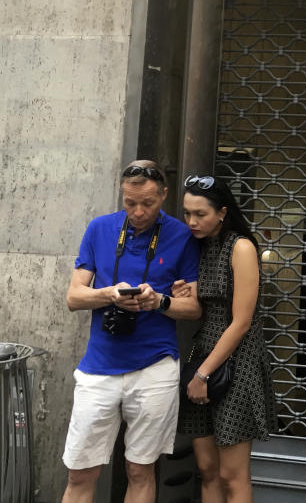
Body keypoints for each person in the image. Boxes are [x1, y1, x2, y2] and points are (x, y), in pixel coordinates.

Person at [62, 160, 202, 503]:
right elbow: (73, 297)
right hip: (99, 368)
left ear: (164, 196)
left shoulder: (183, 236)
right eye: (130, 203)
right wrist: (109, 294)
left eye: (148, 204)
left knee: (140, 470)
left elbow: (195, 307)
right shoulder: (99, 228)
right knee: (81, 471)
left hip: (154, 369)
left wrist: (160, 301)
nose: (138, 212)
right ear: (121, 195)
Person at [174, 174, 277, 502]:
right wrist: (186, 293)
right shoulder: (199, 247)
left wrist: (203, 374)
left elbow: (242, 321)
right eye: (187, 213)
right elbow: (203, 306)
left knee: (232, 475)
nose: (192, 221)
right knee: (207, 468)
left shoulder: (242, 247)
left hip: (238, 363)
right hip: (203, 350)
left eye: (200, 214)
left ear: (222, 212)